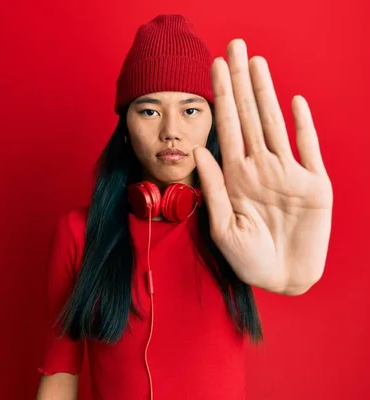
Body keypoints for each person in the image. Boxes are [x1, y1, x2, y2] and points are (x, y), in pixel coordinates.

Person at [35, 14, 333, 400]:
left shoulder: (242, 230)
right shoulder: (78, 232)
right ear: (124, 127)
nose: (170, 130)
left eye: (190, 110)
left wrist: (296, 277)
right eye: (149, 111)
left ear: (212, 121)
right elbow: (60, 370)